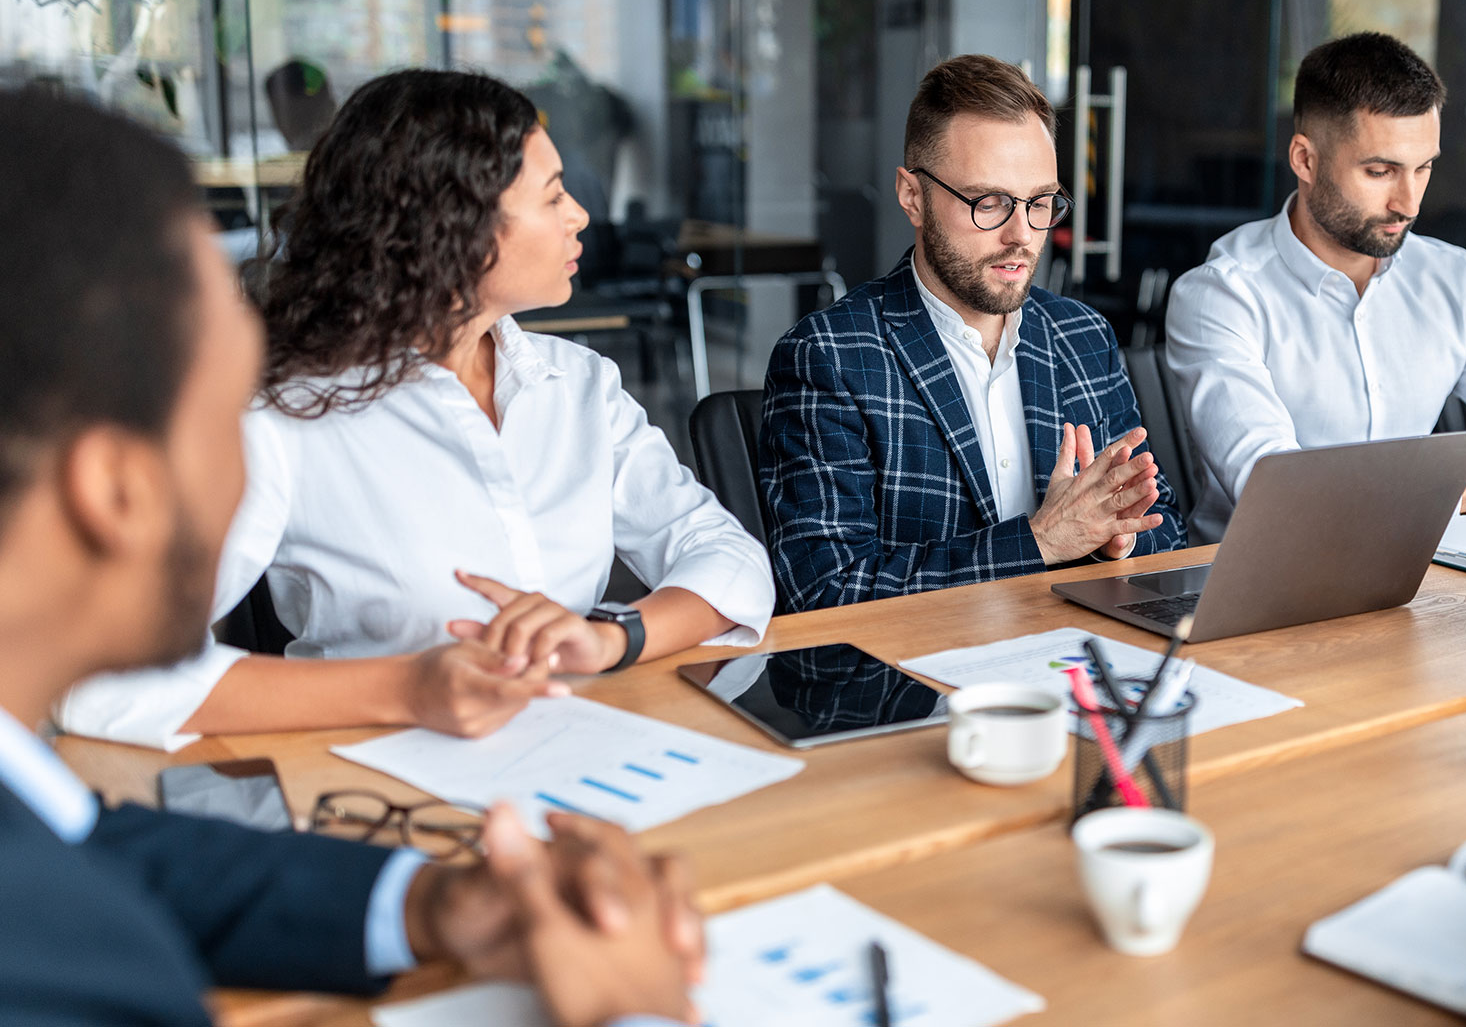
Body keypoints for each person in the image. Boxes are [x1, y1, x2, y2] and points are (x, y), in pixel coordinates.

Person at [0, 89, 699, 1027]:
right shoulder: (63, 985)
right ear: (116, 487)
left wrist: (431, 903)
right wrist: (634, 1013)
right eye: (222, 407)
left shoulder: (34, 831)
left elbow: (100, 851)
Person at [58, 69, 773, 751]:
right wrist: (405, 688)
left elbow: (732, 559)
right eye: (553, 195)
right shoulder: (281, 419)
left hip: (578, 755)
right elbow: (95, 674)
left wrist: (613, 636)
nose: (580, 215)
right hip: (377, 795)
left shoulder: (577, 385)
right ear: (457, 227)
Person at [758, 54, 1184, 611]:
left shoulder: (1082, 335)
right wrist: (1039, 542)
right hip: (911, 690)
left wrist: (1114, 540)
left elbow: (1167, 528)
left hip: (1070, 669)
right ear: (913, 196)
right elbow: (822, 590)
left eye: (1039, 203)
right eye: (990, 203)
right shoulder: (828, 358)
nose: (1022, 235)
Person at [1165, 33, 1466, 544]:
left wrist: (1454, 489)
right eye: (1380, 171)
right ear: (1305, 160)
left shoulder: (1452, 280)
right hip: (1265, 588)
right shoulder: (1219, 296)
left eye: (1424, 168)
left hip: (1424, 570)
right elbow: (1279, 494)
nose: (1409, 203)